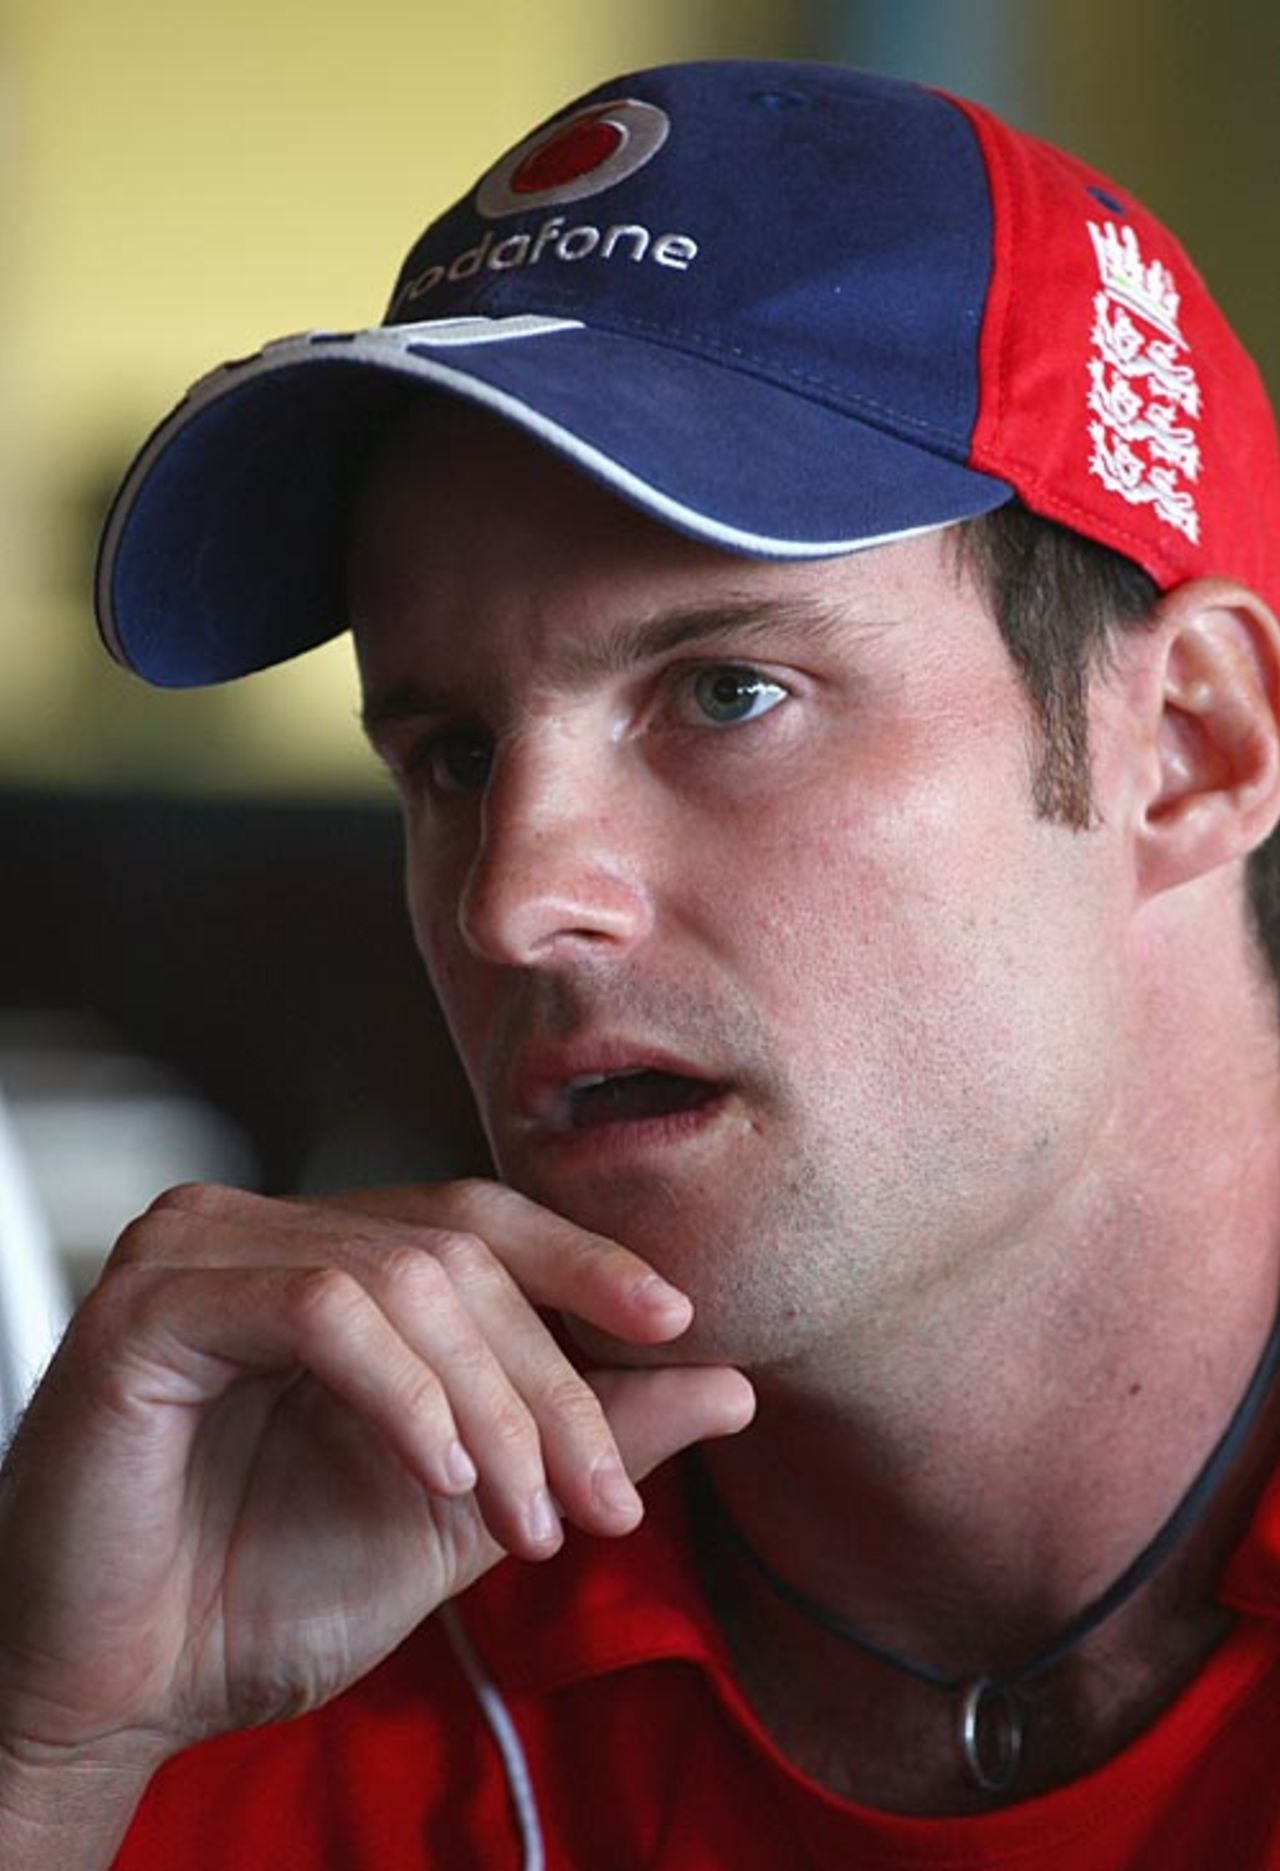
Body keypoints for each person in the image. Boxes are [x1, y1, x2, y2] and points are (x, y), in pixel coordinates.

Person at [4, 55, 1280, 1869]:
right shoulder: (254, 1644)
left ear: (1195, 748)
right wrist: (51, 1756)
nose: (511, 904)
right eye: (448, 754)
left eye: (727, 690)